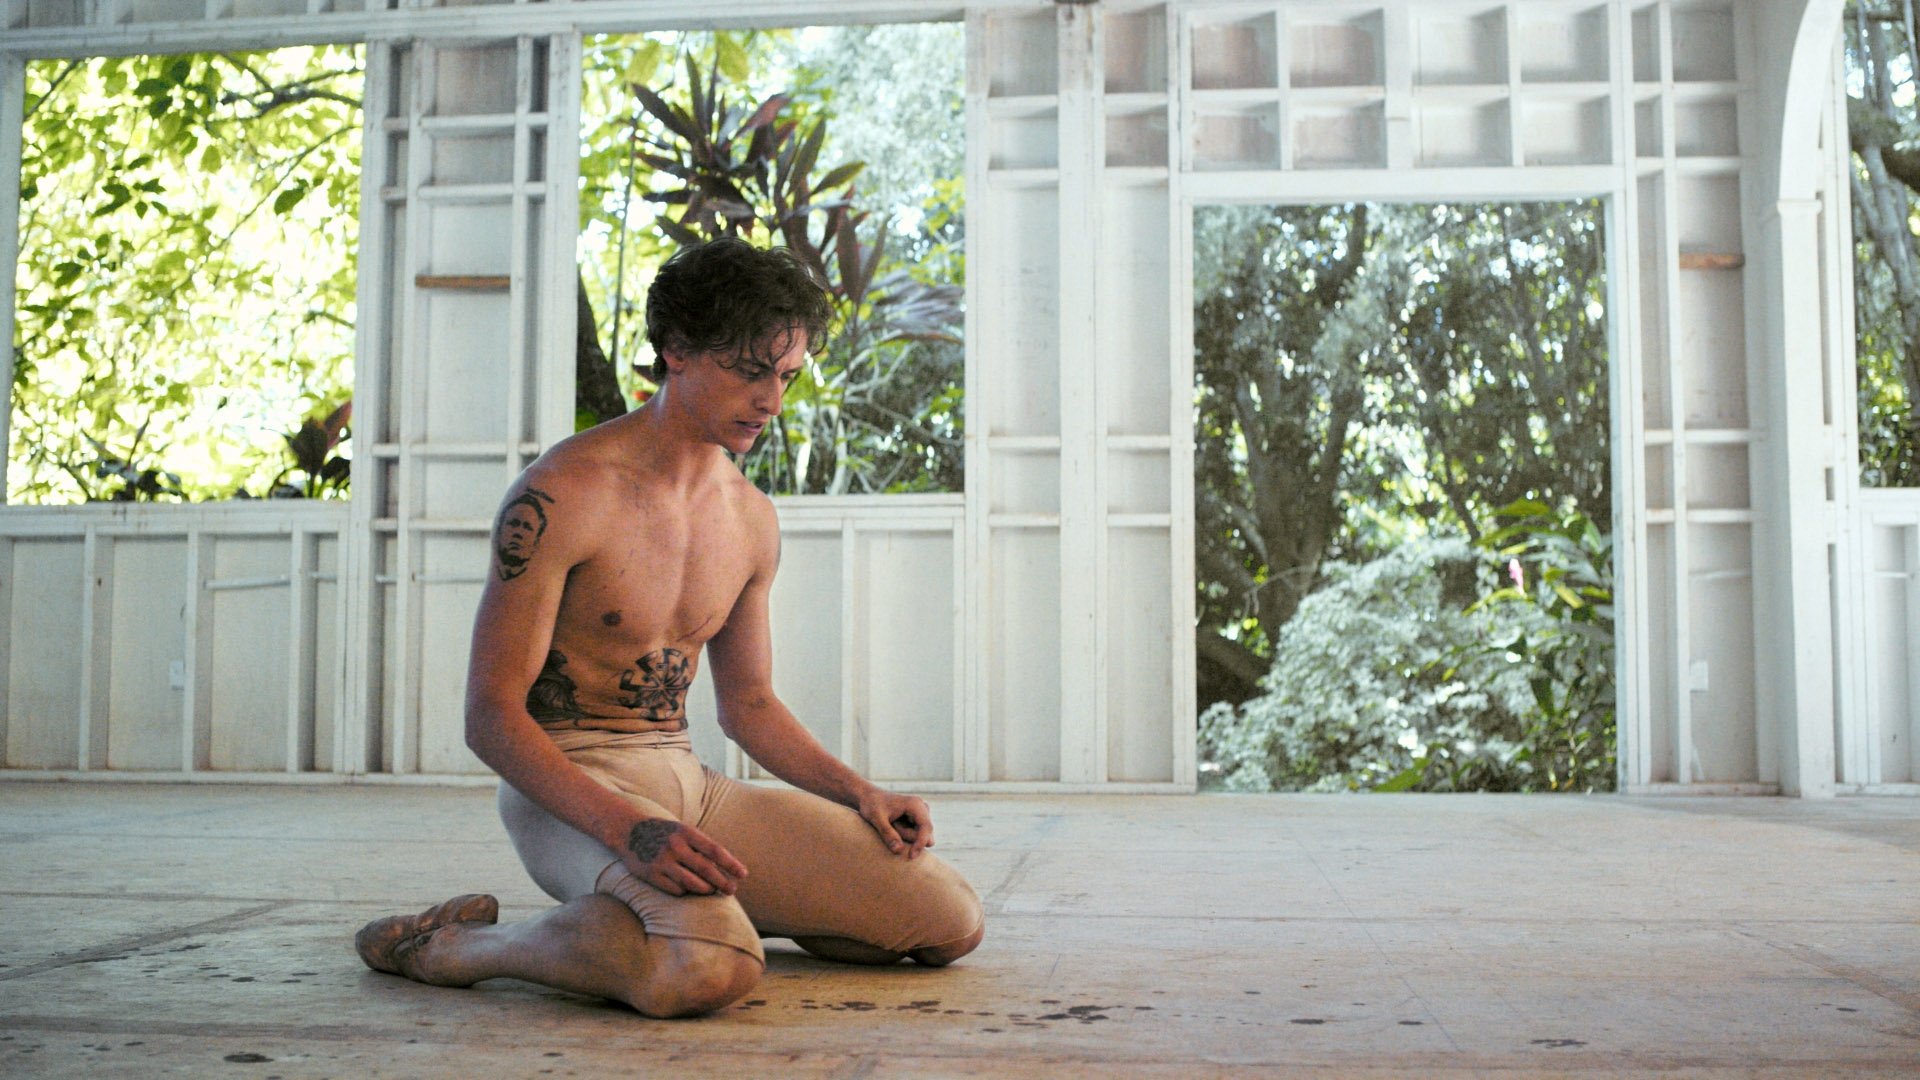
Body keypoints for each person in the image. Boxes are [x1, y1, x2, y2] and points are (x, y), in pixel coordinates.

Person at [354, 238, 985, 1018]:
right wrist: (628, 830)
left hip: (691, 787)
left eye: (787, 376)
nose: (772, 401)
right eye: (750, 371)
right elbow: (490, 716)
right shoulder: (563, 493)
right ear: (676, 351)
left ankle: (672, 920)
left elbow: (748, 704)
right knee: (708, 970)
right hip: (571, 790)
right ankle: (461, 949)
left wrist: (862, 793)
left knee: (947, 921)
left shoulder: (750, 518)